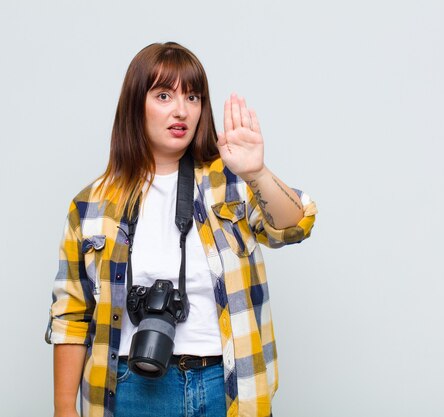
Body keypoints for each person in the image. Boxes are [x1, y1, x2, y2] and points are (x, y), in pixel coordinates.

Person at [45, 42, 317, 417]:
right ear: (134, 104)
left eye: (193, 96)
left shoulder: (231, 182)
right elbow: (71, 318)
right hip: (130, 386)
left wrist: (257, 172)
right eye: (163, 95)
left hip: (226, 384)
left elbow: (292, 226)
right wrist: (64, 410)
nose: (181, 110)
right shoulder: (91, 205)